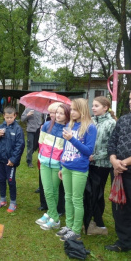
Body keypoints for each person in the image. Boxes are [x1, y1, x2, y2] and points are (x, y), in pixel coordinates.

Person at [56, 98, 97, 242]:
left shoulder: (90, 127)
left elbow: (88, 151)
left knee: (77, 199)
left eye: (75, 109)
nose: (72, 112)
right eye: (71, 109)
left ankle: (76, 230)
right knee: (67, 197)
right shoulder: (70, 124)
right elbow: (65, 147)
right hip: (66, 166)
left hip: (79, 168)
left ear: (82, 110)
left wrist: (72, 139)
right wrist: (61, 166)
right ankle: (69, 225)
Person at [84, 96, 116, 236]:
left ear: (105, 108)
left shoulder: (111, 123)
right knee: (89, 192)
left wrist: (95, 156)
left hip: (102, 165)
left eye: (96, 106)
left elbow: (112, 146)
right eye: (93, 105)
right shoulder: (92, 121)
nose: (93, 108)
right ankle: (90, 220)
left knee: (97, 193)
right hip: (89, 162)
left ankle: (99, 223)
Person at [35, 104, 70, 230]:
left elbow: (67, 149)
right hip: (44, 162)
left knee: (53, 191)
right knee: (47, 190)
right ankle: (53, 216)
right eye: (57, 112)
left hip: (57, 165)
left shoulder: (68, 129)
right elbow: (41, 142)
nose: (58, 115)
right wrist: (41, 156)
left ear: (67, 115)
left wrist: (62, 166)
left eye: (61, 113)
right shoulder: (46, 125)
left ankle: (53, 217)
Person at [106, 91, 131, 252]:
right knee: (120, 208)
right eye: (130, 99)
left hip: (125, 167)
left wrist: (125, 163)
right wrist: (114, 161)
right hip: (119, 171)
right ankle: (124, 242)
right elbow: (112, 141)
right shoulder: (123, 119)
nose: (130, 102)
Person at [0, 106, 25, 212]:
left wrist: (13, 160)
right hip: (0, 160)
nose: (9, 119)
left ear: (15, 116)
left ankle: (13, 202)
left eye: (11, 117)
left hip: (10, 162)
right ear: (3, 116)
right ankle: (2, 199)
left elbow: (20, 146)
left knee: (10, 181)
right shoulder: (0, 127)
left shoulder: (18, 129)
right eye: (7, 117)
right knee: (1, 180)